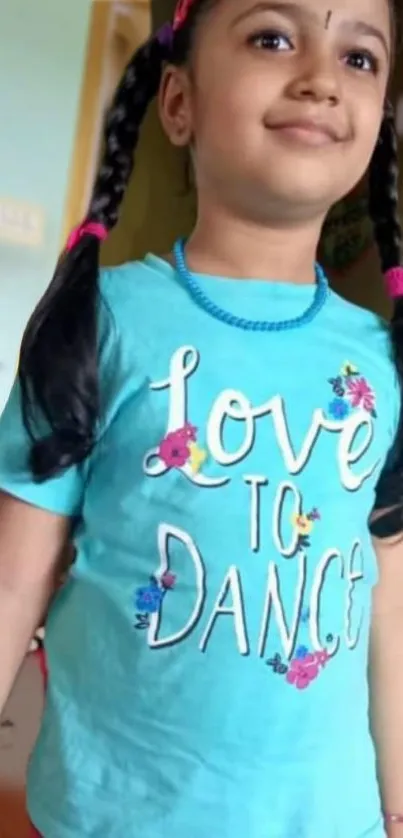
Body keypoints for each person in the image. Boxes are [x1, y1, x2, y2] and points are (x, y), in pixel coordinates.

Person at [0, 0, 402, 835]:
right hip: (108, 817)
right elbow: (13, 580)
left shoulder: (382, 362)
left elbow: (386, 602)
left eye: (359, 58)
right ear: (177, 103)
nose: (322, 80)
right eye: (272, 37)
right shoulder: (98, 323)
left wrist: (397, 804)